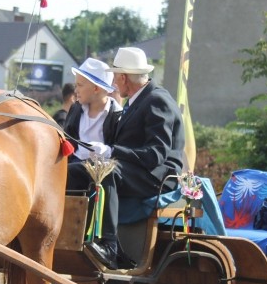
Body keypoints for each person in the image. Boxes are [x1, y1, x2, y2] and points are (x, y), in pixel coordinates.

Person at [72, 47, 186, 270]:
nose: (113, 82)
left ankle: (111, 244)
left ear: (124, 78)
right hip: (137, 169)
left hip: (159, 175)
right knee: (77, 170)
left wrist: (111, 152)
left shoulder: (156, 100)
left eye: (115, 76)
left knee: (107, 171)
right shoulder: (138, 100)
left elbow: (156, 155)